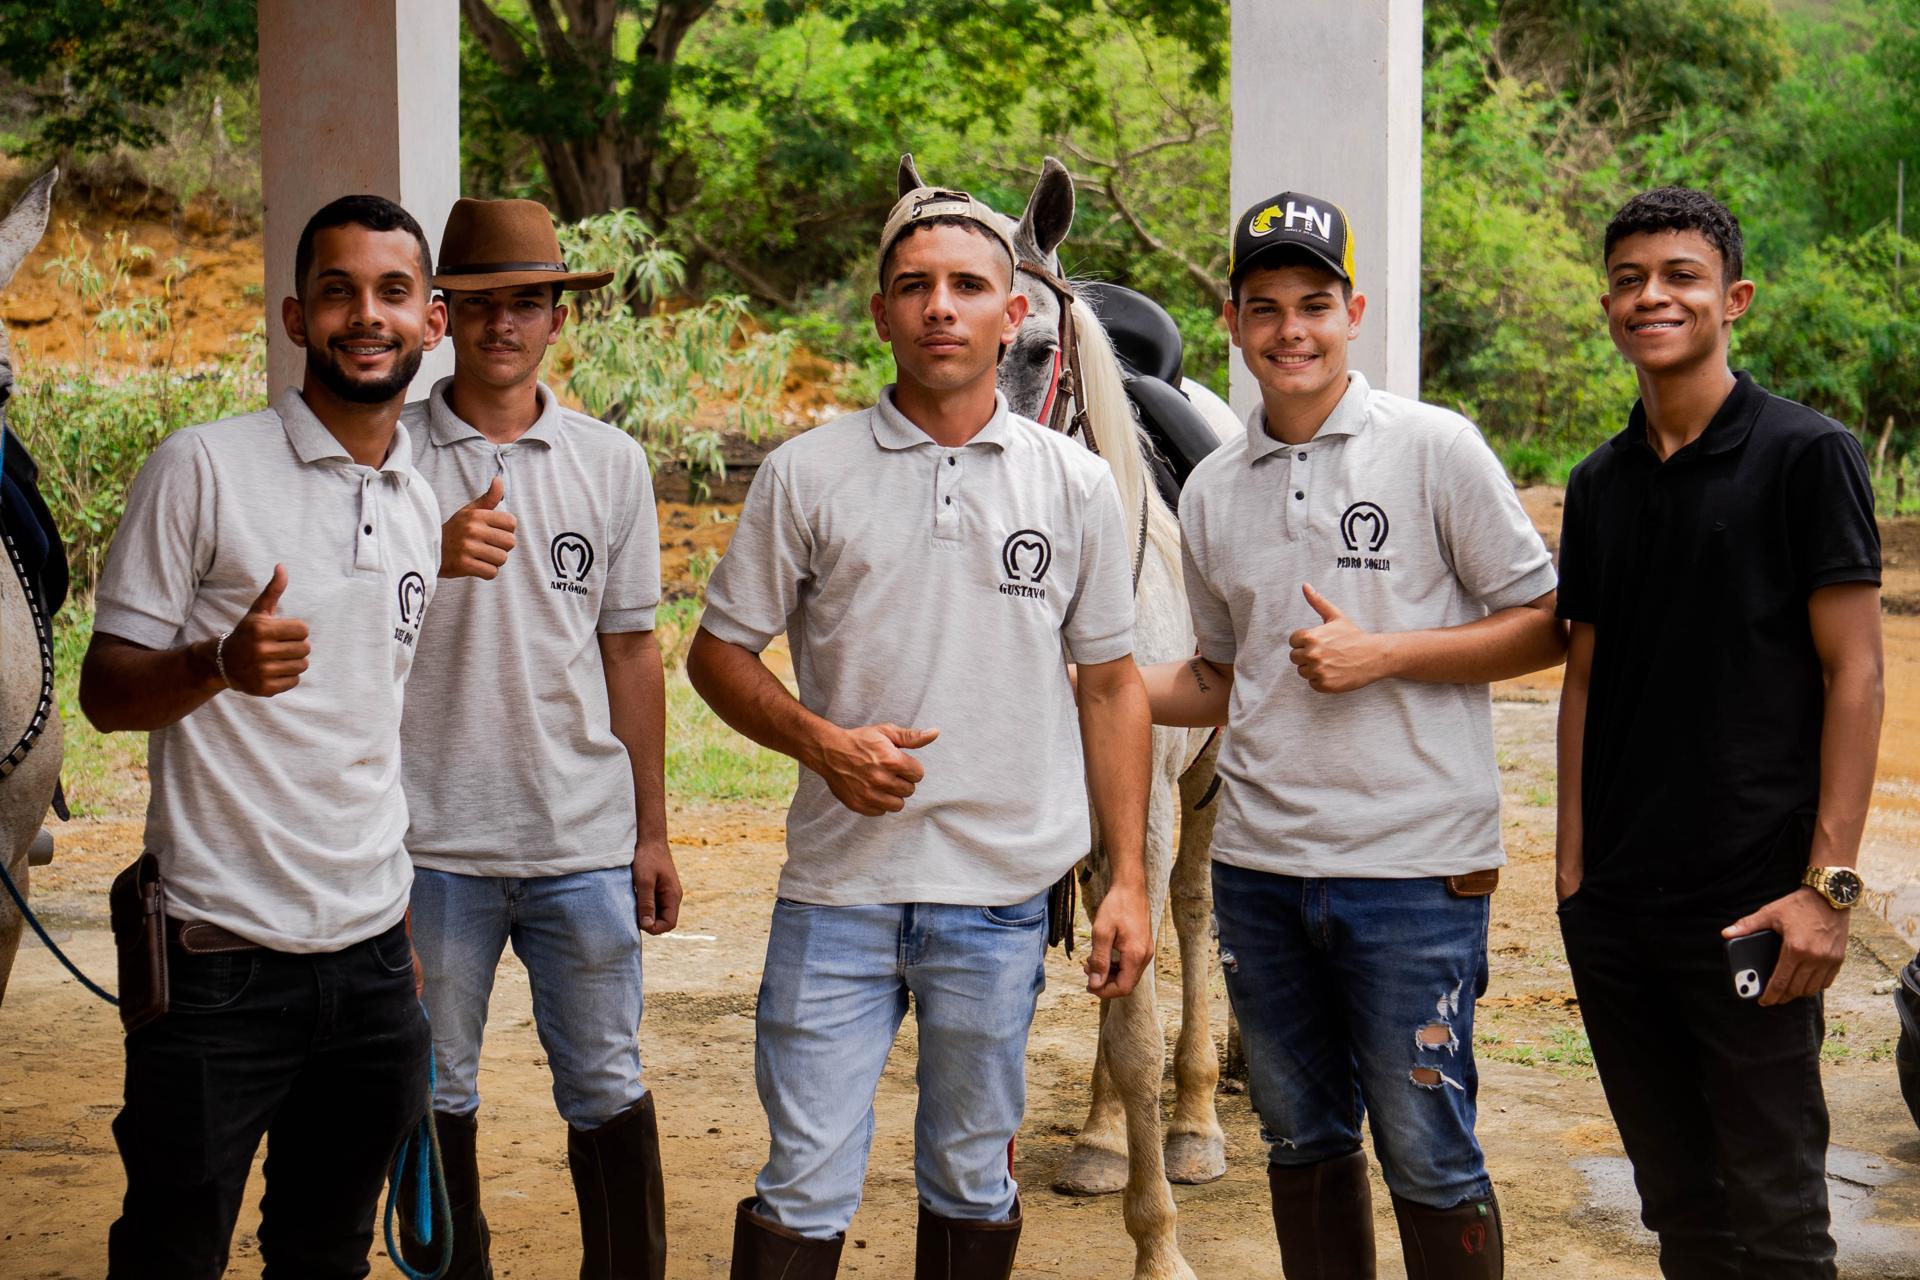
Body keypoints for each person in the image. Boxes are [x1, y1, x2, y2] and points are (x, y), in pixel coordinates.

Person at [686, 184, 1155, 1280]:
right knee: (802, 1181)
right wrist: (822, 743)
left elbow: (1110, 686)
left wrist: (1127, 879)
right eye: (915, 286)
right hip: (836, 896)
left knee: (970, 1177)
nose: (940, 306)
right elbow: (715, 654)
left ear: (1012, 313)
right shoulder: (807, 473)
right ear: (881, 313)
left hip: (997, 900)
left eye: (967, 286)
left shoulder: (1077, 484)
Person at [1137, 191, 1565, 1279]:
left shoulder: (1434, 449)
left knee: (1427, 1148)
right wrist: (1091, 685)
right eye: (1266, 307)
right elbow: (1221, 675)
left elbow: (1546, 622)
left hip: (1414, 871)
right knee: (1301, 1140)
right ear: (1233, 323)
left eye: (1315, 304)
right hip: (1262, 875)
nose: (1292, 330)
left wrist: (1386, 653)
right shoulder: (1211, 489)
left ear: (1354, 313)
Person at [79, 194, 446, 1278]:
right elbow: (103, 691)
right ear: (295, 317)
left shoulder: (418, 501)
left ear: (431, 321)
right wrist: (215, 665)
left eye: (392, 292)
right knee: (171, 1254)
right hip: (218, 966)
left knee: (327, 1255)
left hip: (373, 966)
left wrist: (397, 934)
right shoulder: (201, 467)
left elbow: (369, 729)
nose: (365, 315)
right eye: (338, 291)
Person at [1554, 186, 1883, 1278]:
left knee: (1776, 1211)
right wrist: (1572, 874)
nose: (1652, 296)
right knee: (1680, 1207)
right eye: (1630, 279)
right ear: (1609, 305)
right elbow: (1586, 677)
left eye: (1680, 276)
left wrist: (1829, 886)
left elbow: (1856, 670)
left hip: (1756, 904)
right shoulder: (1599, 483)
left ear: (1733, 299)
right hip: (1618, 912)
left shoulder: (1806, 454)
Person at [395, 196, 676, 1280]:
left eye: (525, 302)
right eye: (477, 303)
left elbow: (631, 653)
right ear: (440, 317)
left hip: (581, 843)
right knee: (431, 1089)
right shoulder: (390, 455)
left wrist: (652, 831)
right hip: (429, 843)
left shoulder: (610, 461)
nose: (501, 323)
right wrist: (425, 549)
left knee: (607, 1083)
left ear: (560, 316)